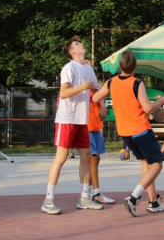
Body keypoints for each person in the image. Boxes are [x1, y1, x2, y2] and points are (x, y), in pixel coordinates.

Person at [92, 50, 164, 217]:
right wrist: (162, 101)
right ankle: (133, 198)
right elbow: (148, 108)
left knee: (146, 163)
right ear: (136, 66)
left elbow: (95, 97)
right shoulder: (137, 83)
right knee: (157, 165)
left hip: (125, 132)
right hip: (141, 129)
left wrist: (101, 101)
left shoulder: (112, 82)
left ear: (119, 66)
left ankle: (153, 202)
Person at [41, 36, 104, 215]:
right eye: (77, 44)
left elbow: (97, 91)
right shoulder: (69, 68)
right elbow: (64, 92)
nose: (82, 44)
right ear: (72, 51)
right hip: (67, 120)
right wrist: (84, 86)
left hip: (82, 120)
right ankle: (48, 199)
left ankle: (85, 197)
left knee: (86, 157)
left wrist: (105, 103)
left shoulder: (88, 69)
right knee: (60, 159)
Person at [83, 57, 115, 204]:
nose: (90, 67)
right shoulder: (81, 85)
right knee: (92, 158)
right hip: (85, 125)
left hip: (95, 124)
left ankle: (91, 191)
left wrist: (103, 105)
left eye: (91, 65)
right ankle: (93, 192)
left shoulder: (94, 86)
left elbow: (100, 94)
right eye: (86, 64)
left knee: (96, 158)